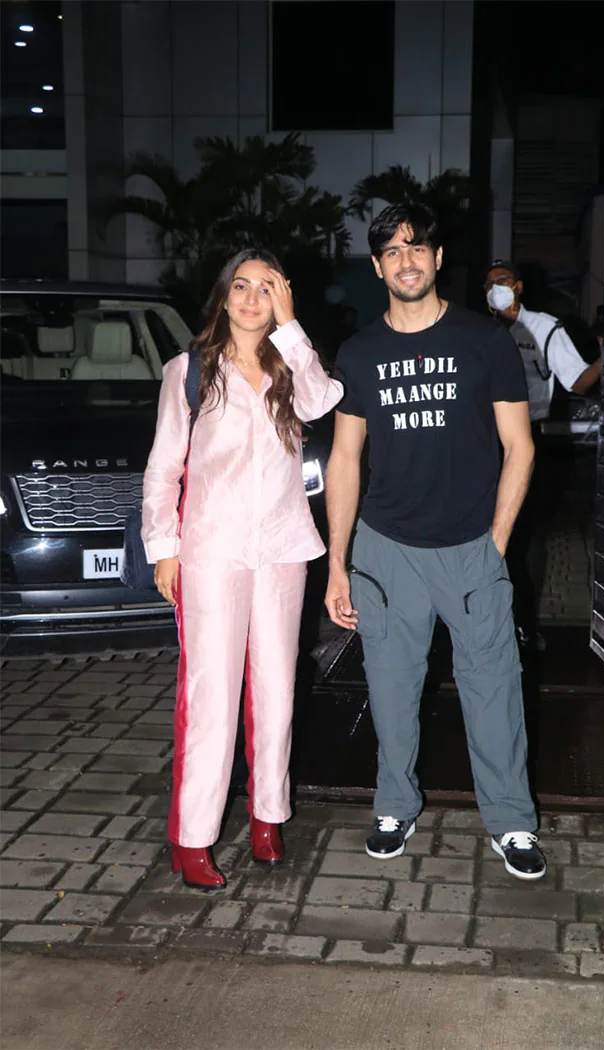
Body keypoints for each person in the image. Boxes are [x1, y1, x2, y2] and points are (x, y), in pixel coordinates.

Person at [324, 204, 546, 881]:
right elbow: (344, 459)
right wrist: (337, 564)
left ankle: (510, 821)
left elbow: (519, 446)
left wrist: (496, 541)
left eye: (417, 248)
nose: (407, 261)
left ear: (438, 258)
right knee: (392, 690)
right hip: (386, 549)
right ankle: (394, 806)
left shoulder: (484, 341)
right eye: (392, 251)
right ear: (377, 267)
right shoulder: (359, 353)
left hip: (471, 547)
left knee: (494, 687)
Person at [142, 248, 343, 890]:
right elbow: (163, 467)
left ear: (282, 295)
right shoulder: (190, 371)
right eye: (242, 286)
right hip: (211, 552)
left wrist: (292, 325)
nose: (253, 299)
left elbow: (322, 402)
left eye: (267, 287)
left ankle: (267, 817)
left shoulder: (291, 365)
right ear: (223, 296)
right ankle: (193, 837)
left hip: (282, 549)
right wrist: (163, 547)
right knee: (212, 696)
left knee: (277, 690)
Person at [484, 260, 602, 651]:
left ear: (518, 287)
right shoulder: (479, 332)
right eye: (489, 284)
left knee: (522, 534)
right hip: (483, 440)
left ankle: (523, 624)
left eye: (502, 281)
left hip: (527, 437)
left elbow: (578, 381)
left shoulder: (545, 328)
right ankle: (485, 622)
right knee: (482, 533)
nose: (496, 289)